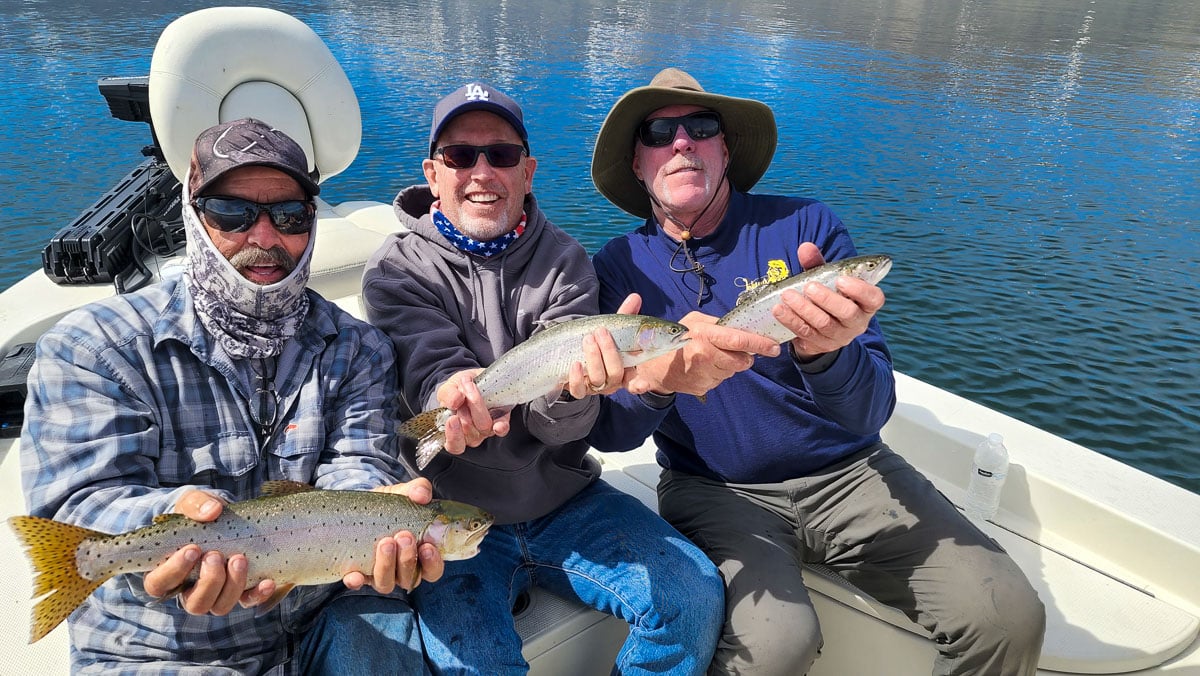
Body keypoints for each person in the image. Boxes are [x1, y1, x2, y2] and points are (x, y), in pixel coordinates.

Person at [587, 67, 1046, 675]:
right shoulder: (617, 268)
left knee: (1009, 617)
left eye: (700, 126)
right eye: (658, 132)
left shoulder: (805, 227)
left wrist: (827, 352)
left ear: (725, 148)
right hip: (714, 490)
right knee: (778, 643)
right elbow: (612, 435)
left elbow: (870, 410)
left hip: (853, 473)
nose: (681, 142)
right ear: (639, 163)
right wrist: (655, 383)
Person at [20, 118, 444, 675]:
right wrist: (173, 519)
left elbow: (357, 463)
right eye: (232, 214)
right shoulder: (94, 347)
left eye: (289, 216)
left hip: (325, 609)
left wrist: (374, 518)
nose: (264, 238)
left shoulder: (359, 346)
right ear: (194, 218)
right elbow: (78, 502)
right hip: (160, 647)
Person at [361, 81, 723, 675]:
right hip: (448, 510)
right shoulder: (397, 268)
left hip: (565, 496)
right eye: (460, 155)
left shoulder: (567, 261)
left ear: (527, 171)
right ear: (433, 173)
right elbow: (428, 363)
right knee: (473, 665)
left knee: (692, 595)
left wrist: (575, 391)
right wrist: (454, 395)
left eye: (501, 155)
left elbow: (564, 429)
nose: (482, 171)